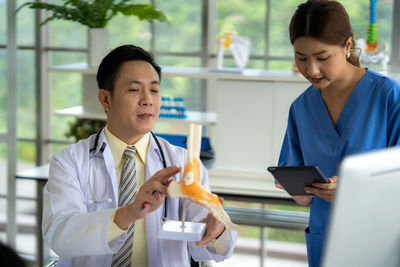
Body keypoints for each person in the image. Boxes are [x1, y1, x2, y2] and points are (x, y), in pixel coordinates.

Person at [42, 44, 237, 267]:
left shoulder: (182, 163)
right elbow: (59, 237)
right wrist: (128, 213)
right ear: (105, 99)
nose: (148, 100)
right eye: (135, 90)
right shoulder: (70, 162)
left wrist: (217, 230)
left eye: (154, 90)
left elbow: (208, 249)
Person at [276, 1, 400, 266]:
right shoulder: (301, 108)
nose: (312, 70)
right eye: (301, 58)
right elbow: (298, 183)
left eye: (322, 58)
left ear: (347, 46)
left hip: (378, 239)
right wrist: (299, 192)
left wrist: (355, 190)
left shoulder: (388, 97)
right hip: (325, 239)